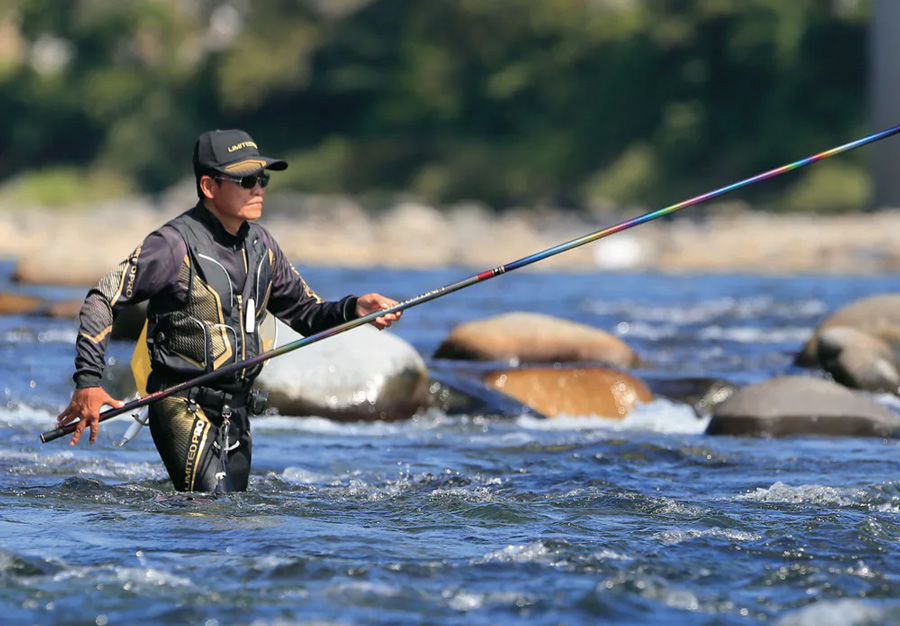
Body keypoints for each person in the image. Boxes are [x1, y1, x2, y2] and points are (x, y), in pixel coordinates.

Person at [56, 129, 401, 493]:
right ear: (209, 186)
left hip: (236, 413)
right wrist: (89, 383)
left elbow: (306, 313)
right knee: (213, 517)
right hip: (180, 405)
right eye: (246, 179)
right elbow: (102, 298)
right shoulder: (173, 245)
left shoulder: (262, 246)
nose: (259, 188)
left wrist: (355, 308)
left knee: (233, 527)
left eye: (262, 178)